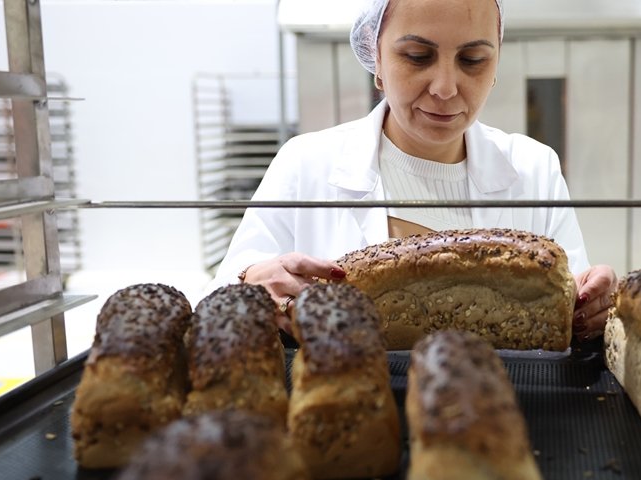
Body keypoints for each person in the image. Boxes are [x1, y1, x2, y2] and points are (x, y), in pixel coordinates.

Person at [209, 0, 617, 342]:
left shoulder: (534, 168)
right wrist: (253, 283)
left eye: (472, 60)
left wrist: (594, 308)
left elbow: (569, 310)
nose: (445, 87)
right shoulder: (306, 164)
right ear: (377, 58)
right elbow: (219, 302)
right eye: (418, 56)